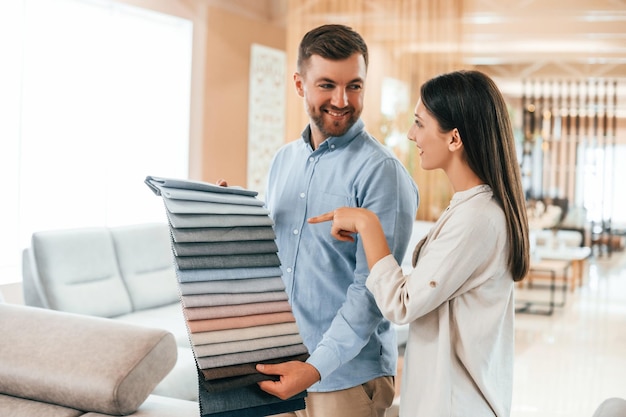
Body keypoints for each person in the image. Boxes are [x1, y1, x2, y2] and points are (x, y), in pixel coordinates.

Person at [309, 70, 530, 417]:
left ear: (454, 138)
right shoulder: (470, 208)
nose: (412, 135)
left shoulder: (478, 218)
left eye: (419, 123)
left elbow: (402, 304)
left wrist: (368, 224)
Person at [253, 24, 419, 417]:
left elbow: (373, 293)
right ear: (299, 84)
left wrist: (314, 368)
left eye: (355, 86)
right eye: (327, 85)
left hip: (344, 379)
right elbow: (274, 259)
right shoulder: (283, 161)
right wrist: (226, 213)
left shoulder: (382, 172)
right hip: (280, 367)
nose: (342, 100)